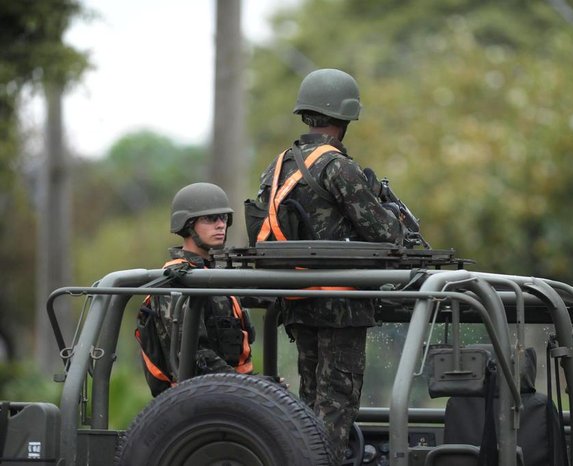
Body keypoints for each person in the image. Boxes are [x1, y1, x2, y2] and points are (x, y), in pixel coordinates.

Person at [252, 68, 404, 461]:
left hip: (299, 300)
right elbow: (384, 233)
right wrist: (393, 215)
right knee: (335, 405)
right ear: (345, 117)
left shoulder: (277, 166)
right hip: (342, 303)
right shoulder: (337, 167)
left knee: (309, 402)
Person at [136, 182, 254, 397]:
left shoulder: (218, 275)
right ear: (188, 225)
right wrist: (251, 387)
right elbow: (194, 356)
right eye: (210, 219)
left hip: (224, 392)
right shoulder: (175, 280)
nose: (220, 225)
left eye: (223, 218)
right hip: (193, 401)